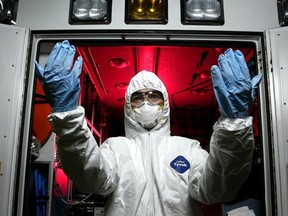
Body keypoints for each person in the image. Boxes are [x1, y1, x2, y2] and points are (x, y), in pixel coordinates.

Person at [35, 40, 262, 216]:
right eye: (138, 97)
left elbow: (217, 190)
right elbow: (91, 178)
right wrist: (68, 119)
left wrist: (234, 125)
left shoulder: (187, 148)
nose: (146, 102)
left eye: (154, 96)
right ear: (128, 106)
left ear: (165, 103)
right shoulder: (115, 147)